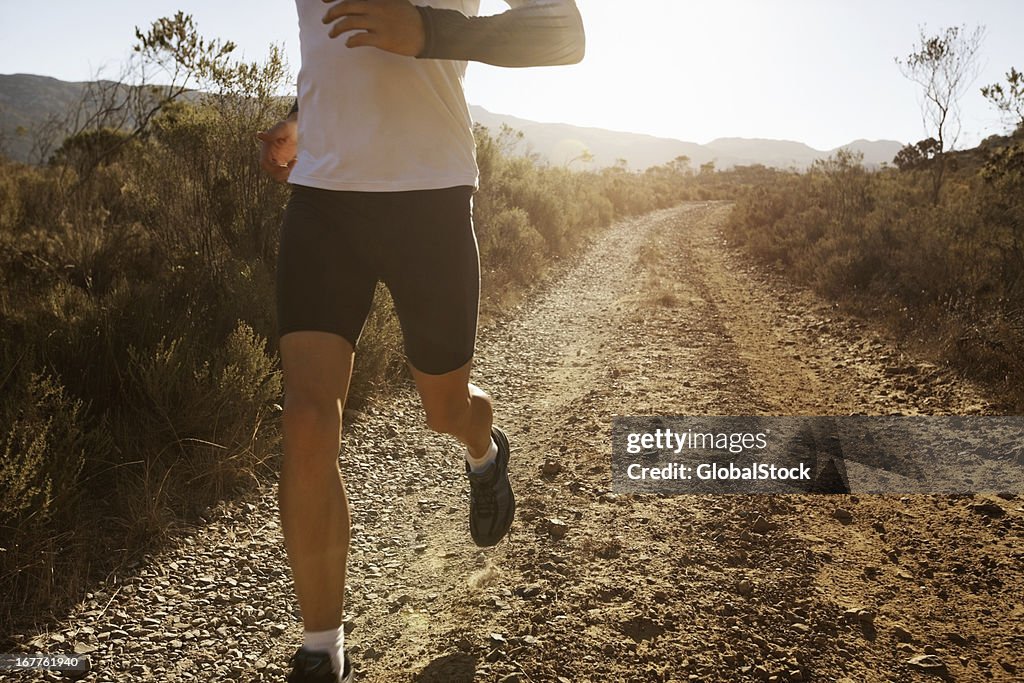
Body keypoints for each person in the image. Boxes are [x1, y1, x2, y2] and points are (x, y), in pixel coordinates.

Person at [256, 2, 585, 681]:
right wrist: (304, 113)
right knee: (307, 417)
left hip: (429, 197)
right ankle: (323, 649)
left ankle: (483, 447)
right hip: (324, 199)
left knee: (444, 407)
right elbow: (337, 43)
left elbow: (564, 32)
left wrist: (429, 30)